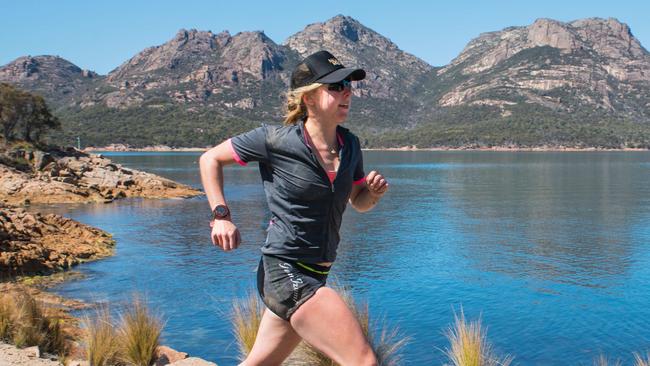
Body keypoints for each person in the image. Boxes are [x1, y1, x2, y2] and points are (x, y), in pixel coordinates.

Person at [199, 50, 388, 366]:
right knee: (364, 361)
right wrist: (221, 215)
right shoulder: (275, 139)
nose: (347, 92)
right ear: (309, 98)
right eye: (336, 85)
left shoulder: (350, 145)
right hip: (285, 271)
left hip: (319, 271)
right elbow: (210, 159)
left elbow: (359, 202)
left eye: (348, 85)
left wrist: (373, 194)